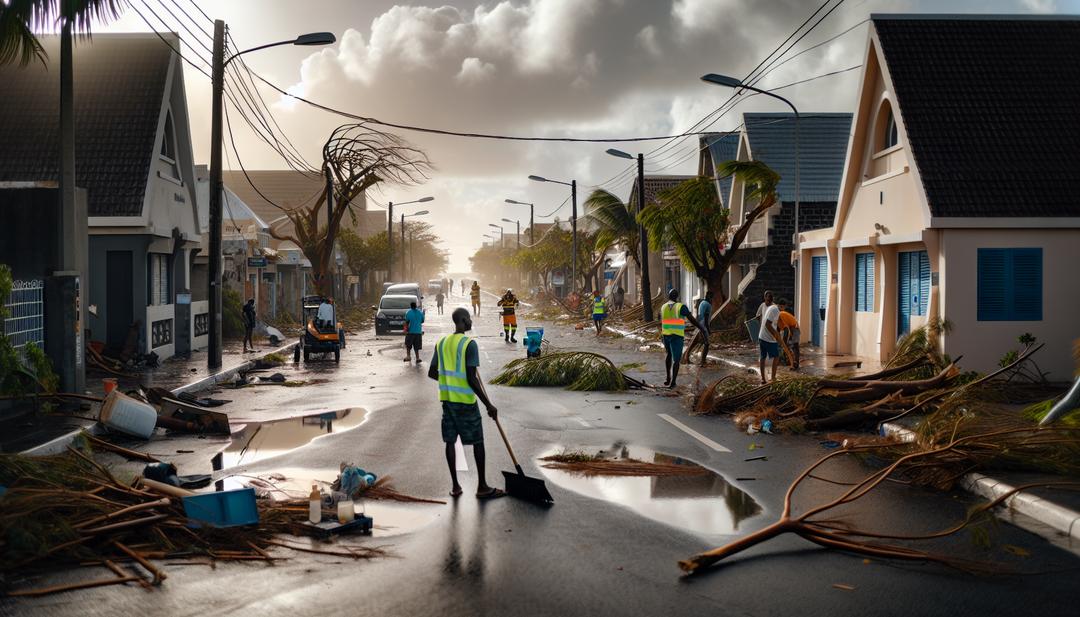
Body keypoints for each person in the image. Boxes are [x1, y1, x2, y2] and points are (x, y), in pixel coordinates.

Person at [428, 308, 504, 499]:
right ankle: (482, 486)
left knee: (450, 441)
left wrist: (449, 383)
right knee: (478, 441)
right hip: (466, 403)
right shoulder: (469, 344)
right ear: (463, 320)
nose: (470, 321)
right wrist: (488, 404)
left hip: (447, 402)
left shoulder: (442, 342)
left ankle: (455, 486)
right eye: (469, 318)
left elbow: (432, 372)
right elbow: (471, 379)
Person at [660, 288, 704, 389]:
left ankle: (668, 378)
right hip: (676, 336)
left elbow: (661, 319)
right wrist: (701, 327)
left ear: (668, 296)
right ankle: (673, 382)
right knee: (676, 360)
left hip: (666, 335)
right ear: (677, 297)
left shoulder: (663, 307)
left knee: (669, 355)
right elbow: (691, 319)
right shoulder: (681, 306)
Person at [758, 291, 781, 384]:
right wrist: (776, 334)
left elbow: (774, 323)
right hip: (767, 337)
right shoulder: (775, 309)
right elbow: (768, 324)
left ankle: (764, 379)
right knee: (776, 356)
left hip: (762, 336)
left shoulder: (771, 307)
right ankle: (772, 378)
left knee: (763, 357)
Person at [776, 298, 800, 370]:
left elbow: (786, 330)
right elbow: (778, 330)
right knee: (787, 346)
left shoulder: (781, 315)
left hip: (795, 328)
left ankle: (796, 362)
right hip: (790, 328)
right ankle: (787, 360)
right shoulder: (777, 319)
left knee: (795, 345)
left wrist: (784, 342)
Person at [697, 292, 713, 366]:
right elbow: (706, 319)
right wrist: (709, 330)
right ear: (709, 297)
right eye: (712, 298)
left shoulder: (702, 303)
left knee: (703, 342)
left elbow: (699, 316)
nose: (712, 300)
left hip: (700, 324)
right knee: (707, 344)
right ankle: (703, 362)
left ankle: (702, 360)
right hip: (704, 326)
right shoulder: (708, 305)